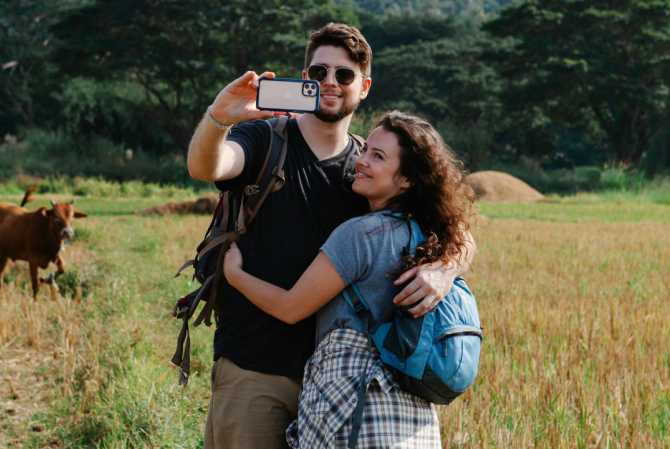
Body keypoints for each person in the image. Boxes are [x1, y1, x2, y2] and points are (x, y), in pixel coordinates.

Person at [187, 23, 476, 449]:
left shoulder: (370, 173)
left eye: (343, 75)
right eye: (318, 73)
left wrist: (444, 270)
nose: (329, 83)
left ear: (364, 87)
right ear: (305, 80)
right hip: (255, 368)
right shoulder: (266, 140)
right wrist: (218, 119)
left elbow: (454, 231)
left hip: (340, 385)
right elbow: (207, 167)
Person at [223, 111, 475, 448]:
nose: (361, 160)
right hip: (410, 423)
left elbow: (290, 307)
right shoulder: (432, 236)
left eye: (378, 156)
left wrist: (235, 275)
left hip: (357, 413)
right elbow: (466, 241)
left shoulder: (359, 235)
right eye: (365, 149)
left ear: (406, 180)